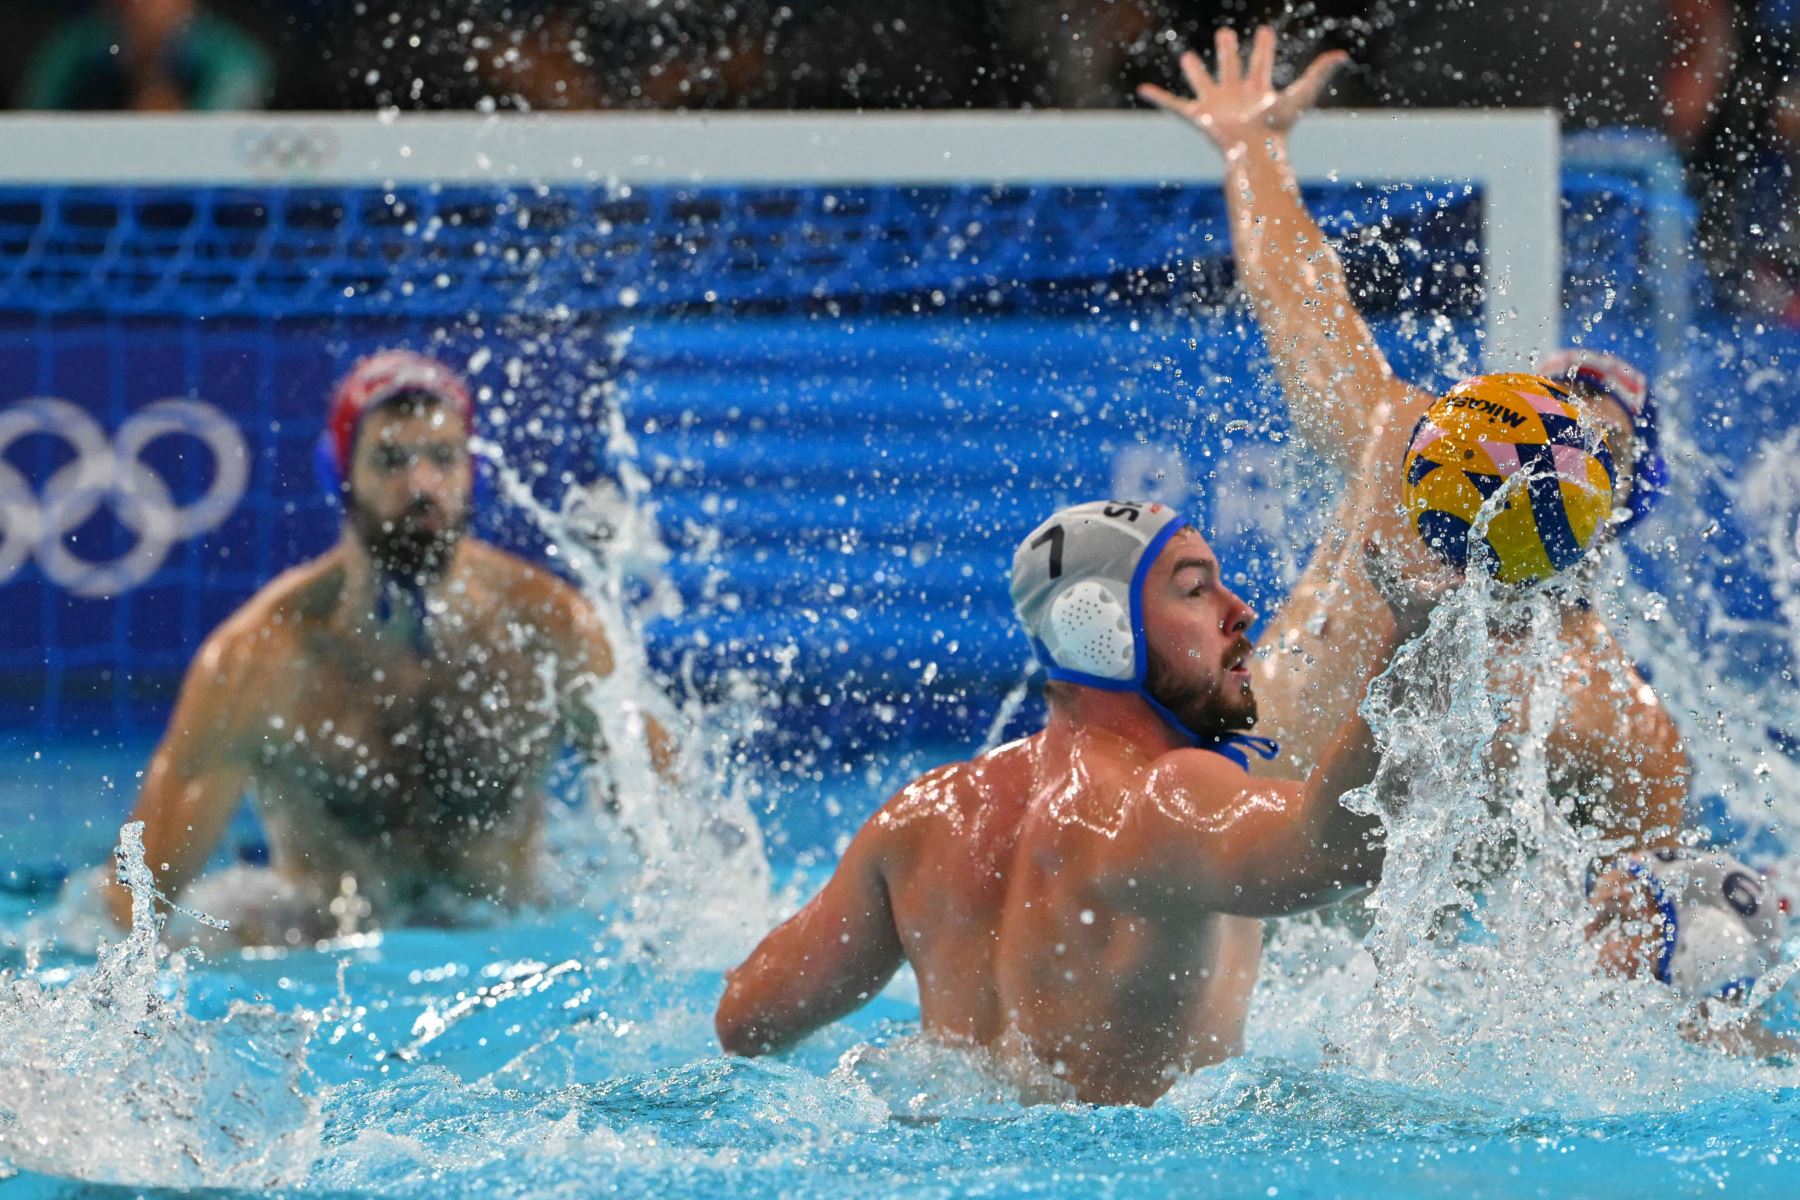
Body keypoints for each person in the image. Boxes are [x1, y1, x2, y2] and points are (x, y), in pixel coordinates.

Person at [1135, 27, 1688, 856]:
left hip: (1348, 964)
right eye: (1551, 411)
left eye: (1597, 443)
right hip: (1229, 862)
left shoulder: (1616, 724)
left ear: (1625, 504)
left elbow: (1647, 923)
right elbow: (1302, 304)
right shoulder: (1399, 440)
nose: (1559, 448)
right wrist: (1251, 145)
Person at [717, 500, 1449, 1105]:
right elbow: (1342, 848)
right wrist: (1418, 648)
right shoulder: (1161, 799)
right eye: (1196, 590)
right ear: (1102, 631)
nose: (1239, 609)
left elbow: (747, 1018)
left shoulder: (923, 816)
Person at [98, 349, 674, 944]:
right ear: (339, 476)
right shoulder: (259, 658)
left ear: (471, 471)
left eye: (443, 459)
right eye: (391, 461)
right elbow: (137, 897)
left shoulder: (551, 629)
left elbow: (680, 836)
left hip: (510, 943)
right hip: (326, 962)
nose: (422, 486)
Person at [18, 0, 271, 112]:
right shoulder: (75, 50)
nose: (138, 5)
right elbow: (34, 122)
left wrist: (172, 127)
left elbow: (216, 135)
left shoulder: (232, 58)